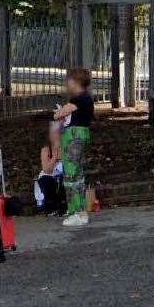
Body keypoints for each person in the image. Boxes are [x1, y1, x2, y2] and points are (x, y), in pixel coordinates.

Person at [53, 67, 94, 227]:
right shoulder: (85, 99)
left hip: (74, 136)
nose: (67, 83)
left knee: (71, 175)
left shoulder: (79, 99)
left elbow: (60, 114)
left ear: (75, 82)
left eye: (69, 80)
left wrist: (58, 113)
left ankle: (76, 211)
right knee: (77, 174)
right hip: (80, 135)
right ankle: (80, 211)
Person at [34, 121, 65, 216]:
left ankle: (64, 207)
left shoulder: (66, 147)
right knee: (46, 180)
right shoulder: (46, 149)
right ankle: (51, 208)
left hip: (63, 175)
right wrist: (54, 157)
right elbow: (46, 169)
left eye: (57, 132)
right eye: (52, 133)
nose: (54, 135)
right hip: (49, 176)